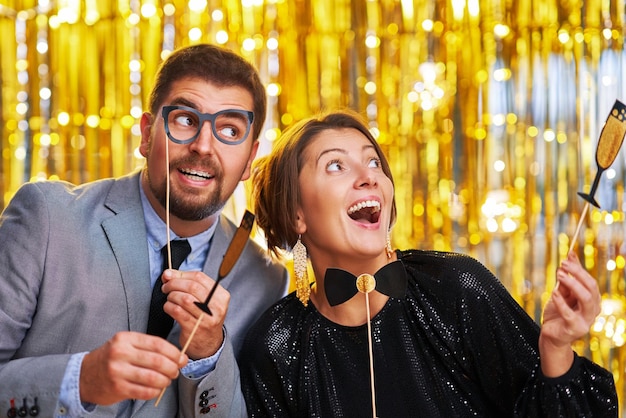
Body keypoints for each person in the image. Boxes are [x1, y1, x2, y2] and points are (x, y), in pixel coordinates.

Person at [239, 109, 618, 417]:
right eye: (336, 166)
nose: (368, 176)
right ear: (296, 214)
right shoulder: (274, 348)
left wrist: (555, 348)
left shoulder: (456, 286)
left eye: (373, 162)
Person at [0, 43, 288, 417]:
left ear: (250, 159)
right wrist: (80, 379)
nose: (203, 146)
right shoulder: (46, 218)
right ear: (147, 133)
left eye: (229, 130)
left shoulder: (266, 281)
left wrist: (209, 353)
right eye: (185, 119)